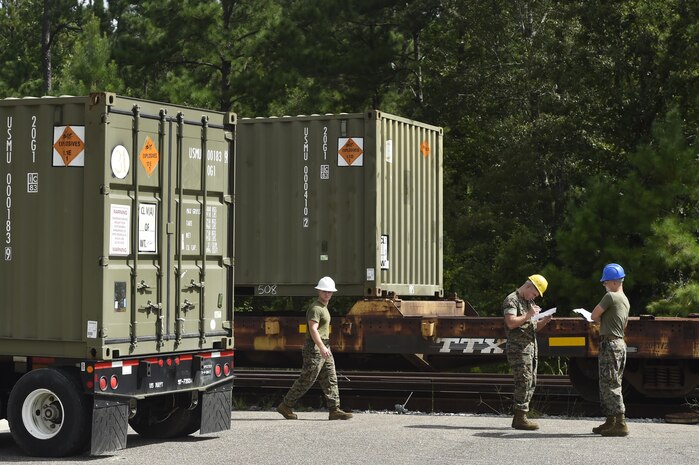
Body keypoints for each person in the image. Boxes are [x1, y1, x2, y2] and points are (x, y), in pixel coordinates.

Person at [277, 276, 353, 420]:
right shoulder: (315, 308)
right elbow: (313, 329)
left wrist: (325, 347)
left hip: (324, 346)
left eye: (330, 292)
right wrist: (322, 347)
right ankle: (285, 406)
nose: (327, 294)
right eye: (324, 291)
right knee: (307, 379)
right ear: (319, 291)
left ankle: (334, 409)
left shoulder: (323, 308)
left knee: (330, 378)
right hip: (315, 348)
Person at [503, 274, 552, 430]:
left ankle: (522, 414)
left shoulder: (528, 302)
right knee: (523, 381)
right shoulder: (512, 300)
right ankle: (520, 417)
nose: (534, 297)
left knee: (531, 382)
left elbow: (533, 327)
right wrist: (529, 315)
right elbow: (511, 323)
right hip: (518, 349)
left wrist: (544, 320)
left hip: (530, 348)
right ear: (529, 286)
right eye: (535, 293)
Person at [590, 263, 630, 436]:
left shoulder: (611, 297)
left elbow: (593, 315)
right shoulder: (625, 299)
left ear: (614, 282)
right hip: (620, 344)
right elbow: (624, 324)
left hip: (610, 345)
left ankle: (620, 423)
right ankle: (611, 421)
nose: (604, 286)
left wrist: (599, 321)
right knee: (612, 382)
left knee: (610, 383)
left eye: (605, 282)